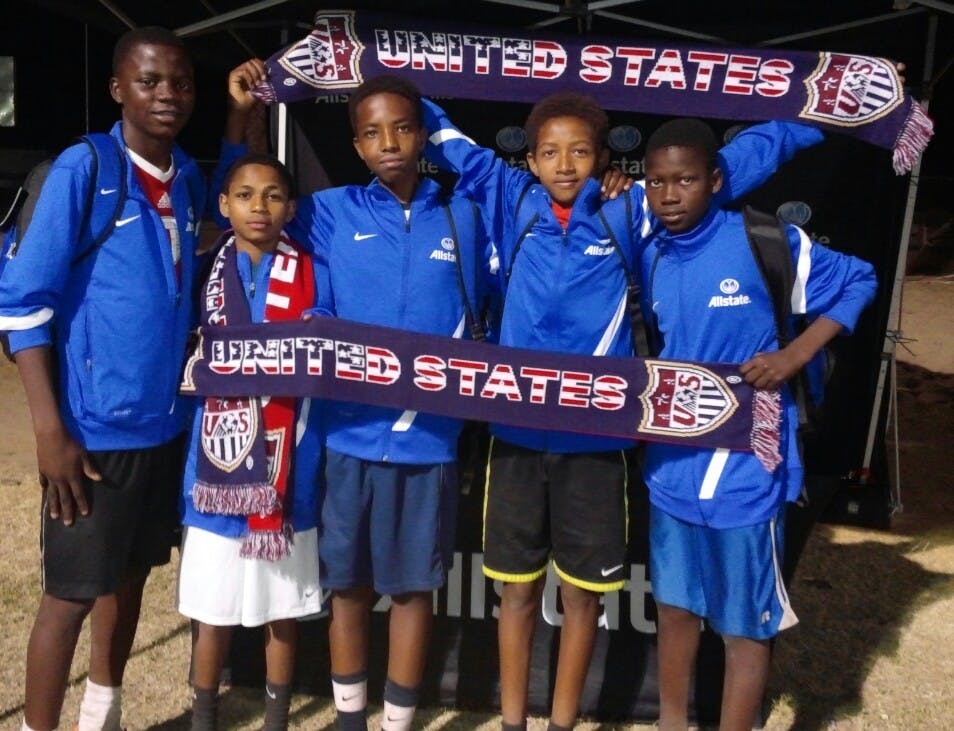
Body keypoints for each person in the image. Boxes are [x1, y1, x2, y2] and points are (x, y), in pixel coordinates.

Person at [422, 93, 825, 730]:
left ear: (605, 158)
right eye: (549, 152)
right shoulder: (510, 199)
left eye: (580, 151)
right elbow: (444, 141)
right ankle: (511, 722)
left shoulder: (628, 207)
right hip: (518, 438)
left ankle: (561, 721)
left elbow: (730, 164)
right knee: (517, 591)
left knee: (583, 599)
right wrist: (385, 78)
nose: (565, 164)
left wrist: (816, 113)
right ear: (529, 159)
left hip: (598, 442)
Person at [220, 63, 498, 731]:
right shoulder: (327, 211)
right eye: (372, 132)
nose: (390, 142)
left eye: (404, 127)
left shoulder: (466, 215)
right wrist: (241, 119)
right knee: (347, 585)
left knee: (412, 588)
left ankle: (397, 720)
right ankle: (349, 718)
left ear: (425, 134)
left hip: (429, 441)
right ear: (356, 147)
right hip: (346, 437)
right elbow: (242, 200)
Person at [638, 118, 876, 731]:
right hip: (672, 464)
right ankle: (671, 723)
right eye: (656, 182)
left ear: (715, 181)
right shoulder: (650, 249)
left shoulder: (760, 239)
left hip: (750, 465)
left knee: (744, 624)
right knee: (675, 609)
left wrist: (795, 355)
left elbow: (859, 279)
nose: (669, 195)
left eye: (686, 180)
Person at [0, 27, 204, 731]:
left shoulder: (190, 175)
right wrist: (50, 430)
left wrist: (241, 126)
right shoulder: (86, 169)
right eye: (149, 81)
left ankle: (103, 710)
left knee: (131, 572)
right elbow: (22, 302)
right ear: (119, 89)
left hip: (164, 423)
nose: (167, 95)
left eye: (179, 82)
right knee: (69, 594)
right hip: (90, 431)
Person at [177, 153, 323, 730]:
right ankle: (204, 717)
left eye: (271, 195)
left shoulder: (312, 269)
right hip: (216, 464)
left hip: (287, 463)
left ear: (290, 206)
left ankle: (276, 719)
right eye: (244, 195)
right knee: (210, 609)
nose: (258, 207)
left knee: (280, 610)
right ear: (224, 204)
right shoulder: (207, 268)